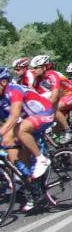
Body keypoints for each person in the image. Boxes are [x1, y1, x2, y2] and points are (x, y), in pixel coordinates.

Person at [0, 67, 54, 211]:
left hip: (44, 112)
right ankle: (30, 186)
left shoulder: (13, 90)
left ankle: (41, 158)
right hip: (27, 120)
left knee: (19, 129)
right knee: (9, 147)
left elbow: (14, 116)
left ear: (3, 82)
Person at [30, 55, 72, 144]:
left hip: (71, 94)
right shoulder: (38, 79)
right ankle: (63, 150)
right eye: (33, 68)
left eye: (36, 68)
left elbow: (53, 97)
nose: (34, 70)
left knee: (54, 108)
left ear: (44, 67)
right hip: (61, 98)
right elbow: (38, 97)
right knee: (55, 129)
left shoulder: (52, 74)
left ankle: (68, 131)